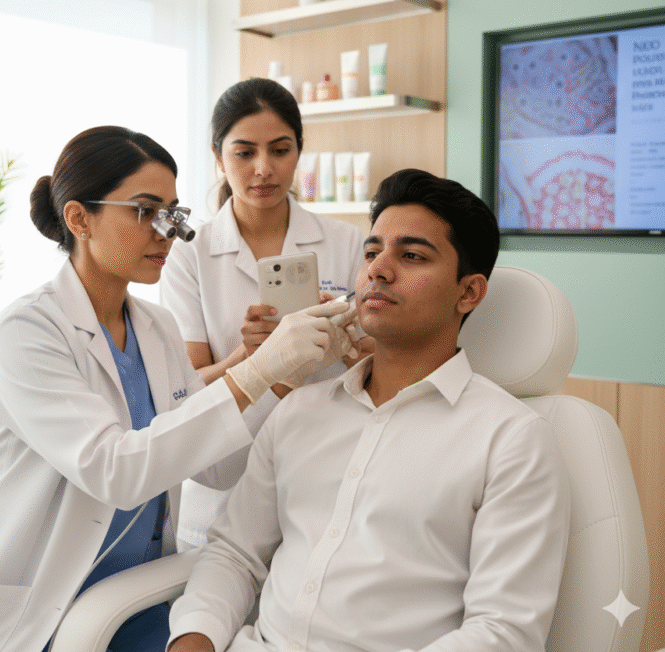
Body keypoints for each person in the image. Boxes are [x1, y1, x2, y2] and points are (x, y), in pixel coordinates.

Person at [0, 126, 357, 652]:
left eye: (172, 213)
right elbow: (113, 472)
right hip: (33, 608)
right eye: (145, 211)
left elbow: (215, 468)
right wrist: (255, 370)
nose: (166, 232)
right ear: (79, 218)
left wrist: (285, 377)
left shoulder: (156, 327)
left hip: (133, 599)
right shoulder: (27, 331)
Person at [167, 168, 571, 652]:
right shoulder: (299, 411)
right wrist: (192, 640)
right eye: (373, 252)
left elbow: (502, 631)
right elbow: (234, 554)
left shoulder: (510, 439)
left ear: (469, 292)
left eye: (413, 255)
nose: (379, 269)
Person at [160, 77, 369, 551]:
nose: (263, 169)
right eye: (244, 152)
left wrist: (347, 339)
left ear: (299, 150)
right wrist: (251, 356)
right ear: (218, 156)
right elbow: (188, 387)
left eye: (280, 150)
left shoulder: (346, 243)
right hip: (226, 482)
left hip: (328, 473)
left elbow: (373, 361)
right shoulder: (188, 257)